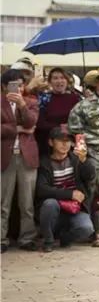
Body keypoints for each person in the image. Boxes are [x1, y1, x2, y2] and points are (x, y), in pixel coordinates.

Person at [35, 125, 95, 252]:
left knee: (87, 229)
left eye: (68, 140)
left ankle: (65, 238)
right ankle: (48, 240)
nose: (65, 144)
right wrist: (70, 194)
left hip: (75, 208)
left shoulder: (76, 159)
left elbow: (90, 176)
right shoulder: (44, 163)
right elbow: (41, 189)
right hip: (55, 209)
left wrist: (84, 160)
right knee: (49, 204)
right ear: (51, 142)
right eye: (60, 140)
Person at [1, 69, 39, 252]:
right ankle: (1, 239)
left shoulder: (31, 102)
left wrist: (22, 105)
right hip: (5, 157)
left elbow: (31, 123)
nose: (18, 88)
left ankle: (27, 238)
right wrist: (18, 129)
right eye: (13, 85)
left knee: (27, 203)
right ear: (4, 86)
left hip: (27, 157)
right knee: (3, 202)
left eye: (21, 85)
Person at [36, 68, 81, 158]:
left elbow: (80, 123)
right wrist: (61, 127)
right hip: (48, 145)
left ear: (67, 81)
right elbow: (40, 123)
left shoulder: (75, 98)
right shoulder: (44, 98)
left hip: (70, 145)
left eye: (62, 78)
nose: (59, 81)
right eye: (55, 78)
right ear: (50, 82)